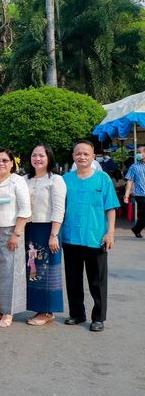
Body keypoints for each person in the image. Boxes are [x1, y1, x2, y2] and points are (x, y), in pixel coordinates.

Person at [62, 140, 119, 332]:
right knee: (73, 278)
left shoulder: (103, 179)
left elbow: (110, 207)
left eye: (86, 154)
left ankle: (98, 317)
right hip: (71, 236)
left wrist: (110, 233)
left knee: (97, 280)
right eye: (78, 153)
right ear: (73, 157)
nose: (82, 157)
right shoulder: (65, 179)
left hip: (96, 237)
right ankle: (77, 313)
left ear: (93, 157)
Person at [0, 148, 31, 328]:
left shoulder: (17, 181)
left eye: (5, 160)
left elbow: (25, 209)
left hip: (11, 230)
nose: (1, 164)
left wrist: (16, 233)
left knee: (11, 272)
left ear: (12, 163)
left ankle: (9, 310)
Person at [25, 143, 66, 326]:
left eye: (42, 155)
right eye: (34, 155)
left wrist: (54, 234)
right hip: (28, 229)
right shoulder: (25, 179)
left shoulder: (55, 180)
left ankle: (47, 311)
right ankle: (36, 307)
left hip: (48, 230)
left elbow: (59, 209)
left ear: (49, 157)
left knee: (47, 270)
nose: (38, 159)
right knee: (31, 270)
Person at [123, 144, 145, 238]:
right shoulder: (134, 167)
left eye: (140, 152)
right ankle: (137, 228)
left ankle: (137, 228)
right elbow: (130, 180)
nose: (138, 154)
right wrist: (126, 194)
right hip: (140, 195)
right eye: (137, 153)